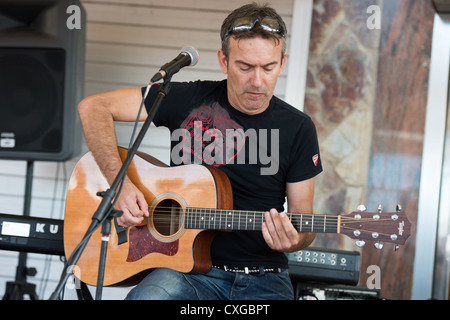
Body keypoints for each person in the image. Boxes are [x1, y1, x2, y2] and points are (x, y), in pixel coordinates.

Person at [77, 3, 322, 300]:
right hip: (185, 272)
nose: (257, 81)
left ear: (282, 63)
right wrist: (120, 186)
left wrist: (295, 240)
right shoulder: (184, 98)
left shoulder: (299, 128)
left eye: (268, 68)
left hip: (264, 279)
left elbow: (302, 217)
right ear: (223, 60)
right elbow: (94, 107)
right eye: (244, 67)